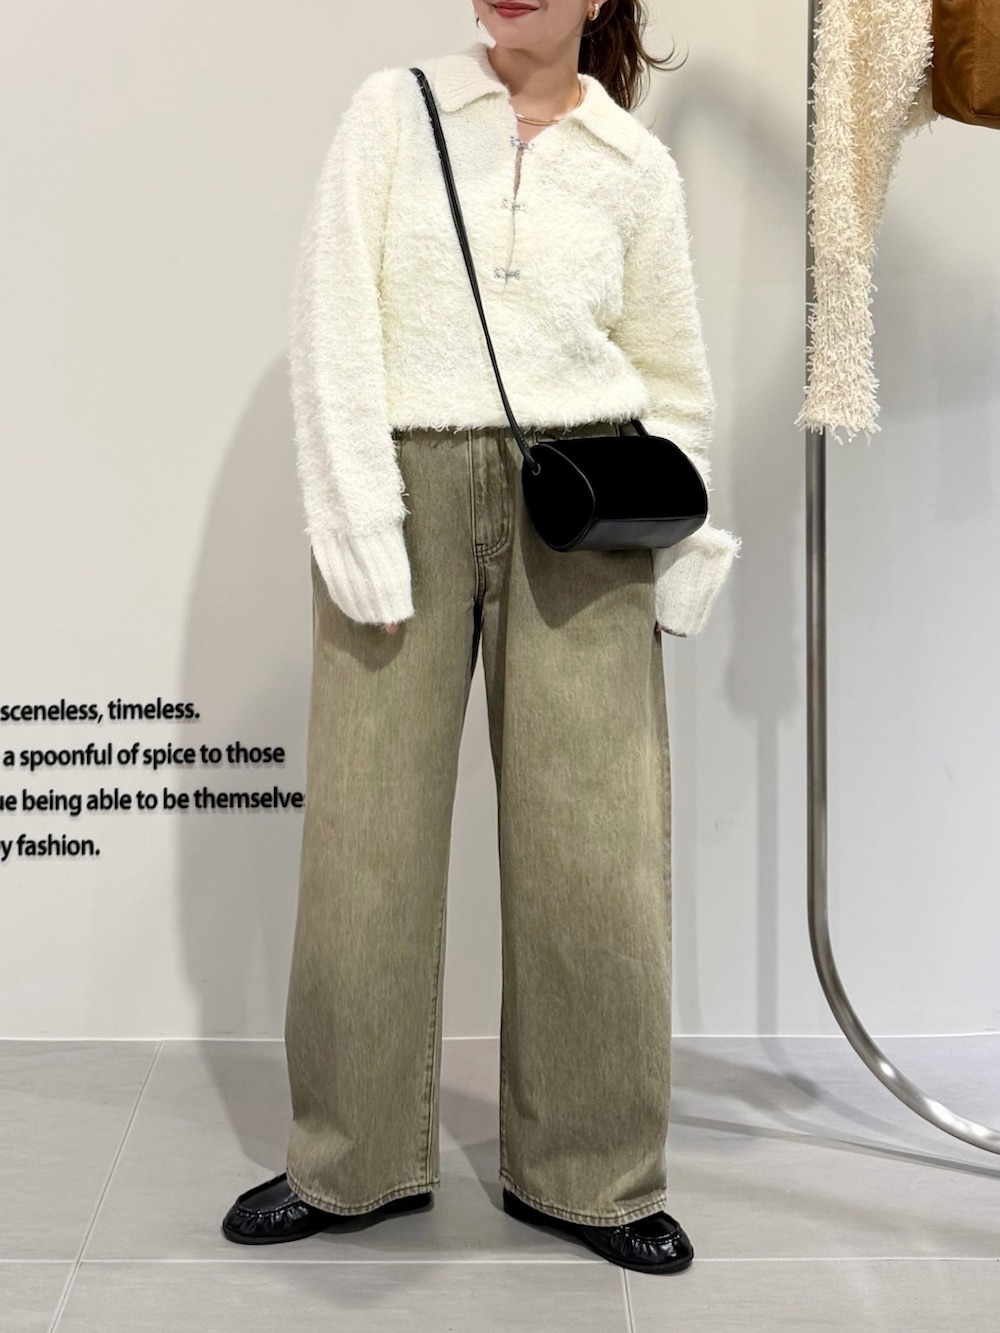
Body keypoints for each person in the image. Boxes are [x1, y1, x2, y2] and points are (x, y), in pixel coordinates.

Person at [221, 0, 737, 1275]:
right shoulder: (391, 113)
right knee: (366, 840)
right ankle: (349, 1160)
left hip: (583, 504)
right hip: (404, 490)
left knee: (596, 850)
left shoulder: (632, 165)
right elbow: (333, 324)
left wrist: (680, 555)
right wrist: (357, 525)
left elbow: (674, 380)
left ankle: (591, 1173)